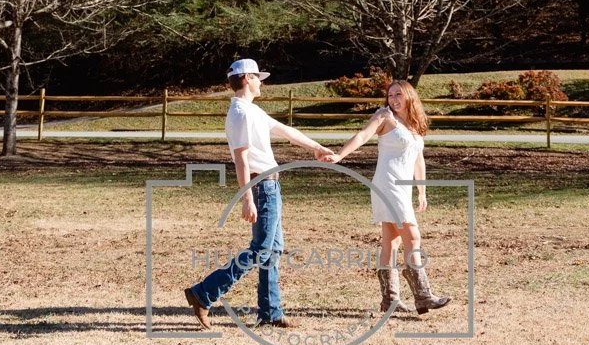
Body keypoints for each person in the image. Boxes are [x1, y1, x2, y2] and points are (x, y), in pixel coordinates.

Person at [184, 58, 334, 330]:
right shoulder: (240, 114)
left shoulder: (252, 111)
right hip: (260, 186)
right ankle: (204, 293)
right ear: (245, 79)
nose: (261, 82)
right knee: (261, 249)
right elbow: (240, 159)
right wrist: (247, 198)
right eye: (257, 77)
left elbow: (285, 131)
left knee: (272, 250)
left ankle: (271, 312)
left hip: (270, 185)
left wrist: (317, 147)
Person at [330, 79, 451, 315]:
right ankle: (423, 296)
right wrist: (339, 155)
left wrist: (422, 191)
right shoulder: (385, 116)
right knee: (413, 236)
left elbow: (418, 159)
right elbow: (363, 135)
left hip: (403, 188)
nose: (393, 99)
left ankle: (390, 301)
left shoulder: (415, 125)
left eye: (398, 94)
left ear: (409, 97)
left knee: (391, 242)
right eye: (390, 95)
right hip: (388, 184)